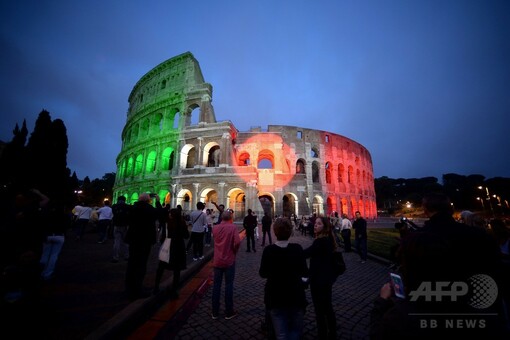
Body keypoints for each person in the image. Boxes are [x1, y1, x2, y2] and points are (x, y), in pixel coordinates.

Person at [370, 193, 509, 339]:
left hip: (428, 303)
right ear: (450, 209)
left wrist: (382, 303)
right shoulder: (481, 235)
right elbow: (496, 270)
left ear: (425, 210)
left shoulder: (418, 238)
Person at [259, 217, 309, 340]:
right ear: (290, 231)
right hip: (296, 296)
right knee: (296, 333)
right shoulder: (297, 248)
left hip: (275, 296)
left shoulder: (269, 250)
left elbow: (263, 273)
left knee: (281, 334)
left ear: (275, 232)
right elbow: (305, 271)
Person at [304, 216, 338, 339]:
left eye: (318, 224)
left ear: (324, 227)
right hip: (327, 279)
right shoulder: (328, 239)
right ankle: (332, 332)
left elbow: (306, 253)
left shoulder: (320, 242)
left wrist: (292, 252)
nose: (315, 225)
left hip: (319, 280)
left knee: (319, 309)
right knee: (328, 307)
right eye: (315, 223)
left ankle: (322, 334)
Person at [124, 193, 162, 300]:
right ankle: (137, 289)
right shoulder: (149, 209)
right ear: (149, 200)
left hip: (133, 239)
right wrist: (158, 201)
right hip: (145, 240)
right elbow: (160, 213)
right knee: (141, 264)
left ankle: (128, 288)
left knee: (131, 263)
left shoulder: (132, 208)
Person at [153, 208, 190, 299]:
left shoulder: (167, 223)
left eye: (170, 213)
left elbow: (162, 237)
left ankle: (156, 287)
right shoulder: (182, 223)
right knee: (176, 270)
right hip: (178, 247)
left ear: (172, 215)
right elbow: (186, 236)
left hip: (168, 246)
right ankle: (174, 291)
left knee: (161, 267)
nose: (169, 215)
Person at [211, 210, 241, 320]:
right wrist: (234, 251)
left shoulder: (215, 228)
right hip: (229, 260)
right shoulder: (232, 228)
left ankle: (214, 312)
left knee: (216, 286)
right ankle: (229, 311)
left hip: (217, 260)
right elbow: (237, 242)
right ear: (230, 218)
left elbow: (215, 240)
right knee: (228, 285)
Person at [40, 200, 73, 281]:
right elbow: (68, 225)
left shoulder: (47, 214)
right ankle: (47, 274)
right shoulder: (65, 216)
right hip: (59, 235)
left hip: (48, 234)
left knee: (45, 254)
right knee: (54, 256)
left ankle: (40, 272)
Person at [111, 196, 130, 263]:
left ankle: (115, 257)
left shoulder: (114, 206)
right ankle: (126, 256)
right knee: (126, 242)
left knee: (117, 242)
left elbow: (113, 213)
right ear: (125, 200)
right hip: (125, 225)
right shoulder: (127, 206)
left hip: (117, 225)